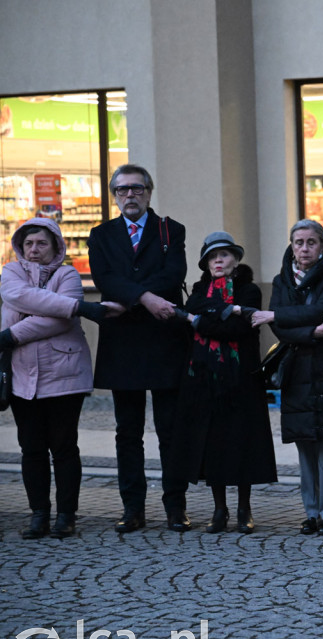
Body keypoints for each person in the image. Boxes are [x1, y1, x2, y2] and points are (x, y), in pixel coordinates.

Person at [1, 218, 122, 539]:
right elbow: (20, 301)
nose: (34, 249)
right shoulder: (11, 273)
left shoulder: (67, 274)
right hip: (21, 376)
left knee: (64, 447)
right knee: (31, 448)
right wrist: (73, 308)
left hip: (64, 373)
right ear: (20, 247)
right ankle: (38, 513)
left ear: (55, 245)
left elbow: (57, 322)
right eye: (28, 244)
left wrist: (10, 334)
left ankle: (66, 515)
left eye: (41, 243)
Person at [88, 164, 191, 533]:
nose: (129, 195)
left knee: (170, 430)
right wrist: (145, 297)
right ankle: (133, 508)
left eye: (136, 189)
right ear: (114, 195)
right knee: (127, 432)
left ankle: (175, 507)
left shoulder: (170, 229)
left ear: (149, 192)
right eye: (121, 190)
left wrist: (137, 296)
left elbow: (173, 274)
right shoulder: (101, 235)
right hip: (123, 342)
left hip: (164, 339)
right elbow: (105, 279)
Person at [252, 219, 323, 536]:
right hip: (298, 370)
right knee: (305, 442)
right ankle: (311, 513)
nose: (304, 248)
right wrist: (311, 332)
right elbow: (280, 328)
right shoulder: (281, 279)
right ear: (291, 246)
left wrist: (279, 316)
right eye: (299, 242)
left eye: (311, 242)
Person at [172, 232, 277, 534]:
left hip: (241, 378)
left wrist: (199, 320)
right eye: (212, 257)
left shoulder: (248, 290)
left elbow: (235, 329)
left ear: (236, 259)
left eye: (225, 255)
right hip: (205, 378)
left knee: (242, 441)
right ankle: (220, 510)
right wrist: (218, 312)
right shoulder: (198, 289)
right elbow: (196, 309)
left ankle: (244, 509)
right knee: (212, 443)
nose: (219, 260)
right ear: (205, 263)